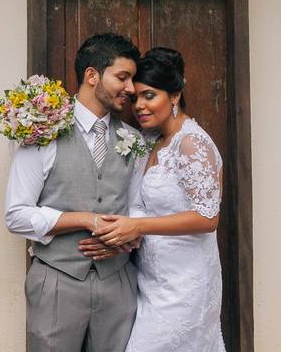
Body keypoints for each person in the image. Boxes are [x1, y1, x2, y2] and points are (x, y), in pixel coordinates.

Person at [4, 32, 142, 352]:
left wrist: (126, 240)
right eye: (123, 77)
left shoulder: (134, 140)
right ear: (92, 76)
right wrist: (85, 219)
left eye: (133, 80)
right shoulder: (42, 132)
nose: (131, 89)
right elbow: (16, 215)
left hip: (118, 282)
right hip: (56, 280)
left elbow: (140, 211)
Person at [90, 47, 226, 351]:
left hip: (185, 283)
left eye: (149, 95)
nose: (139, 105)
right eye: (136, 97)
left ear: (174, 95)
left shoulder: (192, 144)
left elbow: (207, 218)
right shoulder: (150, 140)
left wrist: (138, 227)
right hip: (150, 279)